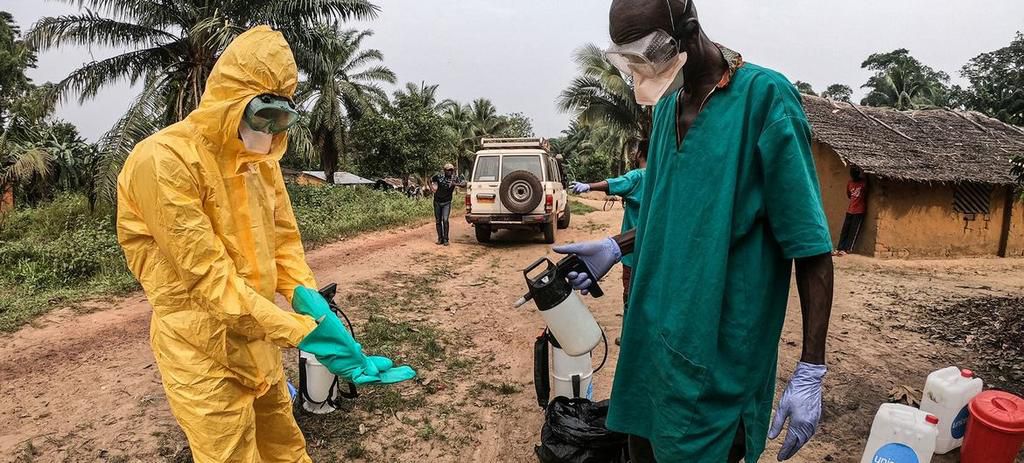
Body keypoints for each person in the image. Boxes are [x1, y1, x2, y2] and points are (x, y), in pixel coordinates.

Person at [115, 26, 415, 463]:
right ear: (231, 100)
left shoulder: (261, 162)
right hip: (202, 350)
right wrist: (305, 334)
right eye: (263, 115)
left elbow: (284, 244)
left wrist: (314, 308)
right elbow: (207, 277)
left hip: (259, 338)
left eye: (283, 119)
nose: (271, 132)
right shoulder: (164, 160)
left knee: (285, 449)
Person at [552, 1, 835, 461]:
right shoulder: (666, 110)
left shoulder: (765, 100)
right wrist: (614, 245)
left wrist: (811, 367)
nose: (641, 69)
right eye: (629, 59)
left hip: (721, 352)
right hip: (653, 344)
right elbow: (667, 215)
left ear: (687, 29)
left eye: (648, 52)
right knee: (642, 447)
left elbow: (810, 245)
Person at [569, 140, 648, 344]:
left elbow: (614, 183)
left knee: (630, 294)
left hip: (631, 251)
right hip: (655, 249)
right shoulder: (664, 175)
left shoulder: (637, 176)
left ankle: (630, 337)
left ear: (640, 154)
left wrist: (588, 186)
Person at [430, 163, 466, 246]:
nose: (450, 172)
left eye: (451, 170)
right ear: (444, 170)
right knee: (438, 220)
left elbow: (464, 184)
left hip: (447, 202)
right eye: (448, 170)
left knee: (445, 220)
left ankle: (446, 239)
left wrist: (455, 184)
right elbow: (431, 180)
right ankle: (440, 238)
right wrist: (432, 189)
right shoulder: (439, 176)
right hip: (437, 201)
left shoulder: (455, 178)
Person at [835, 166, 867, 256]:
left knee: (853, 231)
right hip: (850, 210)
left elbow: (867, 190)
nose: (853, 176)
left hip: (859, 211)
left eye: (855, 174)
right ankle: (839, 248)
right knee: (845, 230)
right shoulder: (850, 183)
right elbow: (849, 195)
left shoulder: (863, 183)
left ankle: (848, 249)